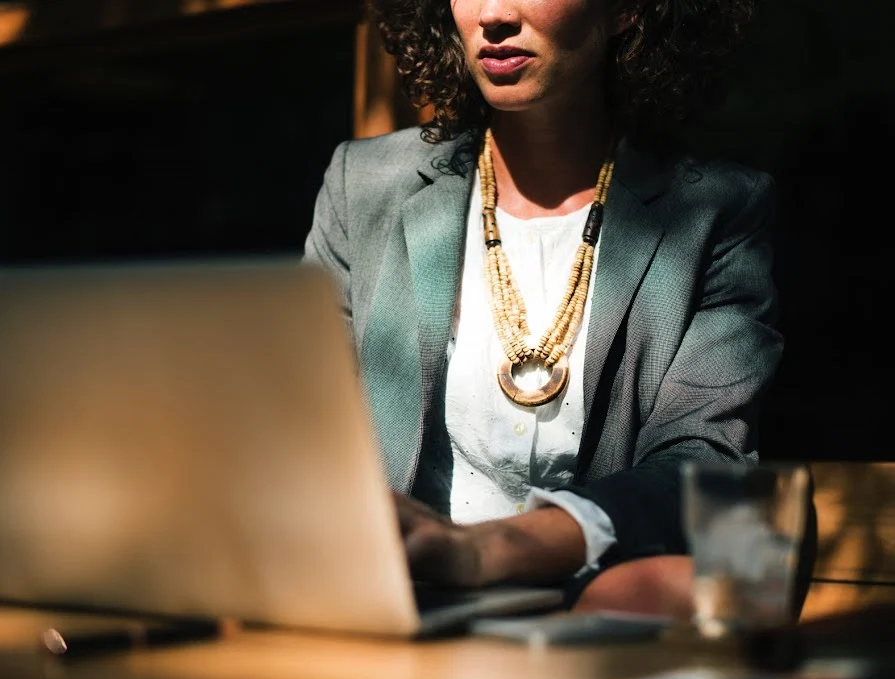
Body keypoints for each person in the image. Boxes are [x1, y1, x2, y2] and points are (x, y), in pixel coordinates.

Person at [304, 0, 816, 618]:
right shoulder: (365, 185)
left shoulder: (717, 210)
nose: (492, 13)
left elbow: (703, 461)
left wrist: (483, 551)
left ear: (627, 10)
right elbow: (303, 427)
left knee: (745, 546)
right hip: (393, 605)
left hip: (598, 608)